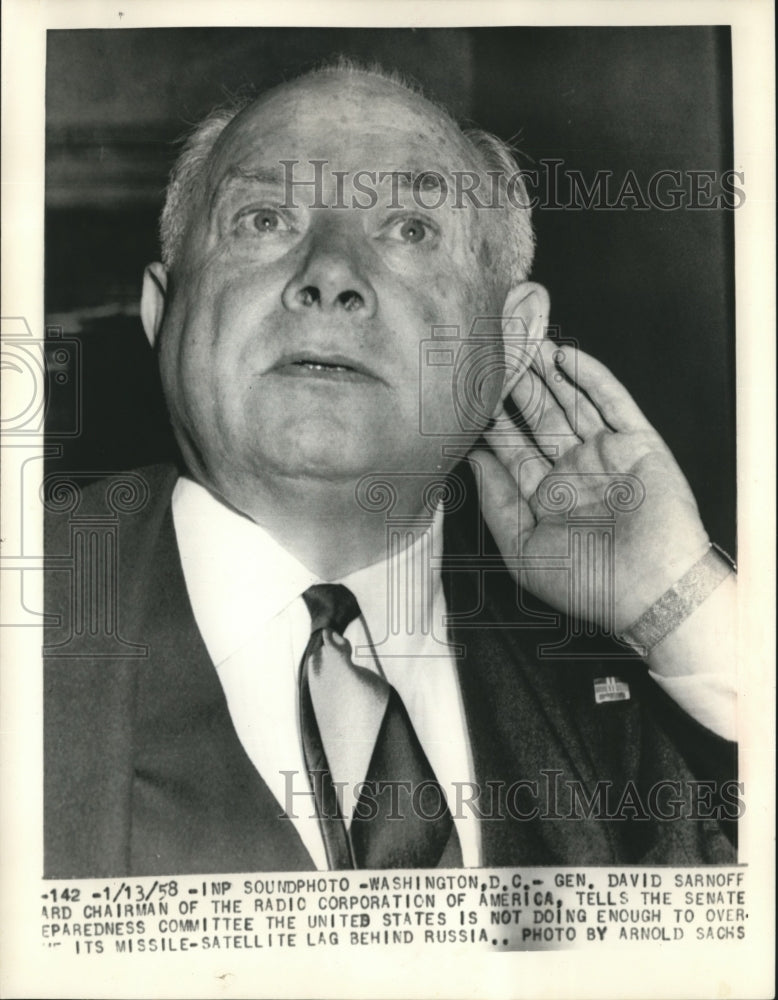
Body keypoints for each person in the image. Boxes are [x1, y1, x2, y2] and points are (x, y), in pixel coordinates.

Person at [44, 61, 738, 876]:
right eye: (265, 219)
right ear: (163, 311)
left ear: (509, 343)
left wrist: (680, 605)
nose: (330, 274)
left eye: (410, 228)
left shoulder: (629, 688)